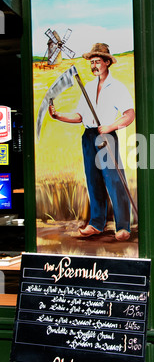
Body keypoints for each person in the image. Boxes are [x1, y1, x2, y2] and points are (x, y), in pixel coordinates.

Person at [49, 43, 135, 241]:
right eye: (92, 62)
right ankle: (97, 224)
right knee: (93, 179)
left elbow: (129, 115)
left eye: (97, 61)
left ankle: (123, 227)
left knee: (114, 179)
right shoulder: (87, 86)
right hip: (88, 136)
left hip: (106, 135)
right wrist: (58, 116)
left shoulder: (117, 87)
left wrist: (110, 127)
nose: (94, 65)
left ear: (107, 62)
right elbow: (80, 116)